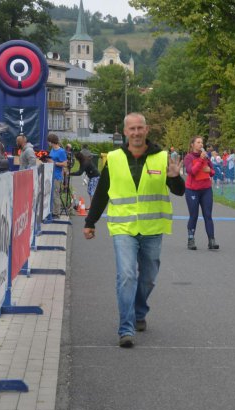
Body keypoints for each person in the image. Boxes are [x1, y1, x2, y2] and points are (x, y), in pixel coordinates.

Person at [82, 113, 184, 348]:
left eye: (140, 128)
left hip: (152, 227)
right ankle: (126, 328)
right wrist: (90, 222)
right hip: (123, 227)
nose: (136, 133)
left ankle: (139, 312)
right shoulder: (115, 159)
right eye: (132, 129)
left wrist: (176, 178)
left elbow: (179, 191)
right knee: (127, 275)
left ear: (147, 130)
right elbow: (102, 193)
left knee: (147, 279)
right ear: (125, 132)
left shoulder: (162, 158)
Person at [184, 135, 219, 251]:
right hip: (192, 190)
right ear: (192, 145)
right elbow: (192, 171)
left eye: (202, 142)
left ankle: (211, 240)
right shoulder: (188, 157)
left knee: (208, 215)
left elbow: (213, 171)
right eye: (198, 142)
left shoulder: (206, 157)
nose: (201, 144)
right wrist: (200, 160)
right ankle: (191, 240)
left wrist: (210, 170)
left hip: (206, 189)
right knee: (194, 215)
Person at [47, 134, 68, 217]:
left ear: (51, 141)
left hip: (57, 175)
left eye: (48, 141)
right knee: (51, 194)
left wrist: (54, 163)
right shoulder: (52, 150)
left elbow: (65, 163)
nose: (48, 143)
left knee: (56, 194)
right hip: (50, 174)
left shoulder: (61, 151)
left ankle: (56, 212)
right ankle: (52, 210)